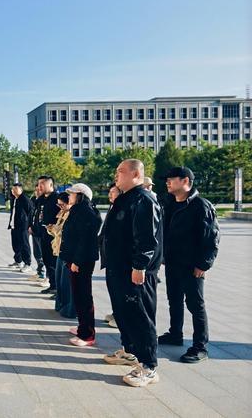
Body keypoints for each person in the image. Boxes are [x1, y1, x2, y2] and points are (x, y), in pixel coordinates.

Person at [102, 159, 163, 387]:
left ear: (136, 174)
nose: (116, 175)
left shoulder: (143, 200)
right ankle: (130, 351)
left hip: (134, 270)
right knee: (123, 313)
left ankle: (149, 366)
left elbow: (147, 238)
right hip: (118, 268)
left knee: (140, 316)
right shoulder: (125, 198)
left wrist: (140, 266)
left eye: (120, 171)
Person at [158, 167, 219, 363]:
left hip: (192, 266)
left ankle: (200, 347)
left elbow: (212, 239)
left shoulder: (201, 205)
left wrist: (203, 264)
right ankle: (175, 334)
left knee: (195, 305)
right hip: (173, 263)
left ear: (185, 181)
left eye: (171, 179)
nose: (167, 182)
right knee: (173, 300)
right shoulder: (170, 203)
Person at [59, 183, 102, 347]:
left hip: (81, 261)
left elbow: (85, 241)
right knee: (78, 295)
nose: (69, 196)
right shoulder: (78, 210)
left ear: (81, 195)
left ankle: (87, 335)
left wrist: (77, 261)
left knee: (83, 296)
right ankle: (82, 327)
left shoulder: (85, 212)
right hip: (76, 259)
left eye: (72, 193)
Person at [46, 192, 75, 319]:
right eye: (59, 204)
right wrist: (51, 228)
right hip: (58, 250)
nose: (60, 206)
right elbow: (58, 232)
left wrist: (53, 229)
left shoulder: (72, 214)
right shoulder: (62, 213)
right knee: (59, 281)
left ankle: (68, 308)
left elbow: (64, 232)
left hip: (67, 252)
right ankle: (60, 305)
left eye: (62, 204)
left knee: (66, 283)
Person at [33, 176, 60, 294]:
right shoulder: (41, 199)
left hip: (53, 235)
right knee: (46, 259)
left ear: (51, 185)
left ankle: (57, 287)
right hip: (42, 233)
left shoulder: (57, 198)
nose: (40, 187)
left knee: (53, 261)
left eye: (42, 184)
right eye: (39, 184)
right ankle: (52, 285)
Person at [100, 183, 121, 328]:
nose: (109, 195)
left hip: (119, 258)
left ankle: (121, 317)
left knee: (119, 290)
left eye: (112, 192)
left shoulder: (122, 208)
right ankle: (116, 313)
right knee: (113, 289)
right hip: (110, 257)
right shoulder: (112, 207)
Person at [7, 183, 33, 273]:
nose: (13, 190)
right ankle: (18, 261)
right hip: (14, 226)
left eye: (16, 189)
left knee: (24, 245)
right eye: (12, 189)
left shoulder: (24, 199)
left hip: (23, 227)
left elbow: (31, 212)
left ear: (21, 190)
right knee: (16, 245)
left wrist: (30, 225)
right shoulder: (14, 199)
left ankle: (28, 264)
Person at [29, 181, 46, 284]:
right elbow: (32, 215)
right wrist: (30, 226)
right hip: (35, 231)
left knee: (43, 254)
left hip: (42, 233)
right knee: (37, 253)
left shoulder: (45, 202)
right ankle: (39, 272)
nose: (37, 192)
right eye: (36, 190)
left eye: (39, 190)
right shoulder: (35, 201)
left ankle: (45, 275)